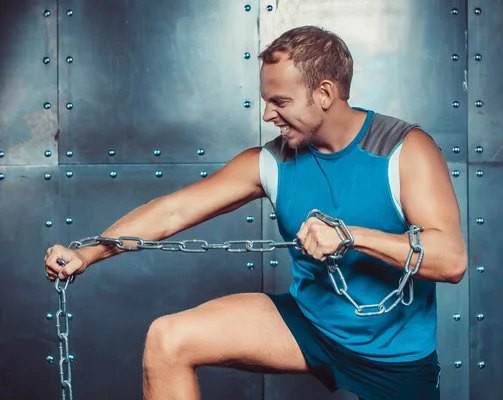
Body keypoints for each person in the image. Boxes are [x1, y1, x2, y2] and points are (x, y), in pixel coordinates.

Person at [44, 25, 467, 400]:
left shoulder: (404, 149)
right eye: (265, 100)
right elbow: (174, 211)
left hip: (393, 349)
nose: (267, 115)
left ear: (323, 93)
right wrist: (88, 254)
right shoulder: (270, 162)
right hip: (309, 324)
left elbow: (450, 259)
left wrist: (350, 235)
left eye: (280, 101)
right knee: (168, 338)